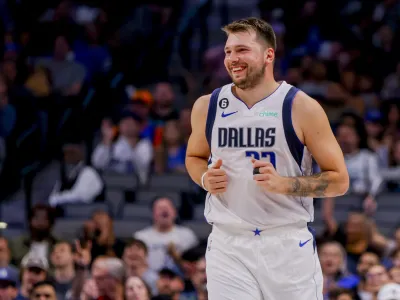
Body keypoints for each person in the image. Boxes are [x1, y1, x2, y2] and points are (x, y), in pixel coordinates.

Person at [185, 17, 349, 300]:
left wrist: (284, 185)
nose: (232, 59)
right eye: (228, 51)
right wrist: (203, 177)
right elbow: (194, 156)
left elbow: (339, 181)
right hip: (227, 243)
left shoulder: (301, 107)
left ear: (268, 54)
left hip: (285, 244)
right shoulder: (207, 105)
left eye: (242, 50)